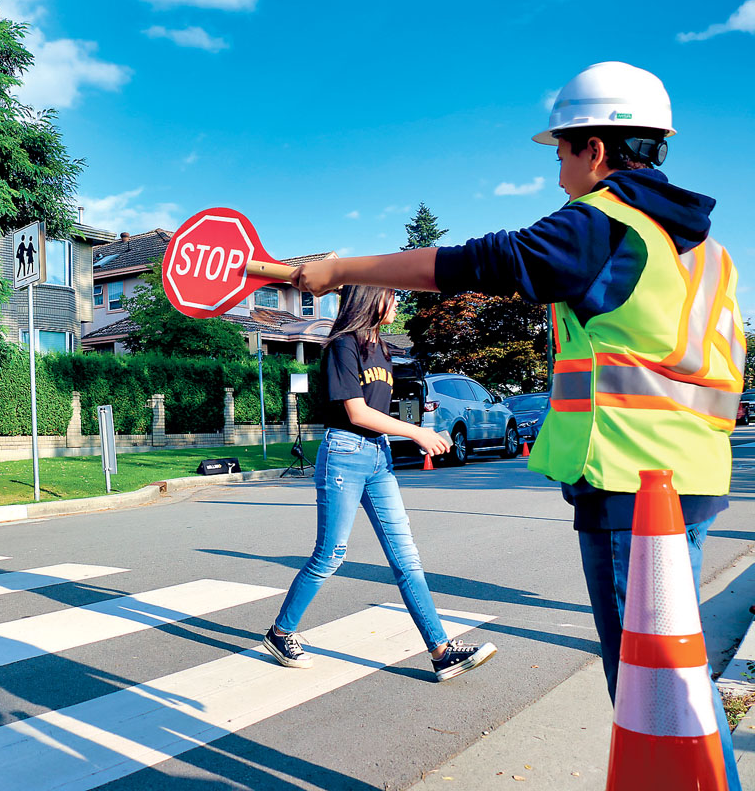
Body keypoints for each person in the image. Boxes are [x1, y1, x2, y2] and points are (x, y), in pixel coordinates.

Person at [291, 61, 742, 786]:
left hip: (631, 486)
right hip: (691, 482)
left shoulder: (606, 224)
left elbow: (486, 261)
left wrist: (339, 269)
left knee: (651, 690)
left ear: (596, 149)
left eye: (561, 150)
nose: (557, 166)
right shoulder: (703, 252)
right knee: (674, 674)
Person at [262, 285, 498, 680]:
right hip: (345, 453)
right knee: (330, 554)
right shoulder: (342, 345)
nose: (398, 303)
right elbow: (356, 412)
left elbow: (378, 409)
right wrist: (417, 432)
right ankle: (280, 632)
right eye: (392, 295)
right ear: (372, 299)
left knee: (407, 558)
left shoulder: (383, 350)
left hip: (378, 456)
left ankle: (441, 651)